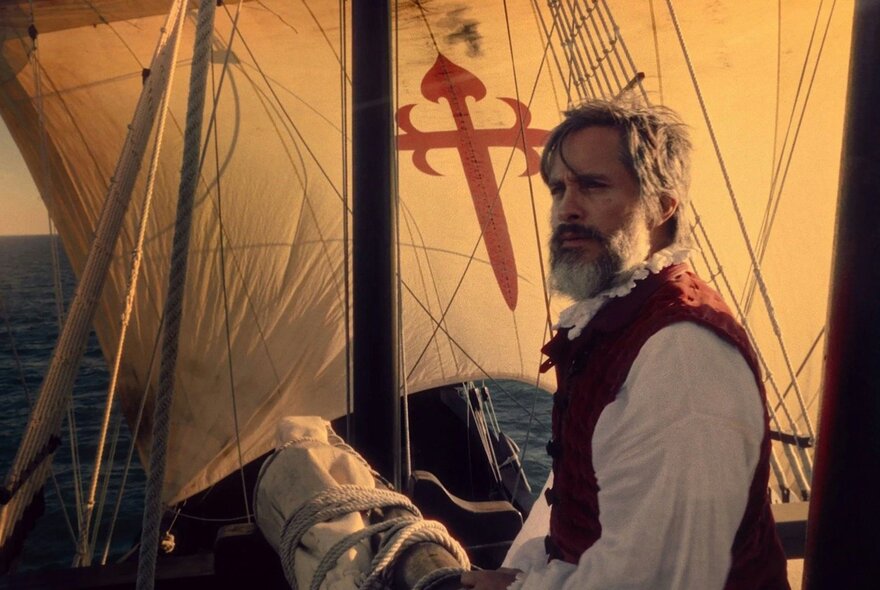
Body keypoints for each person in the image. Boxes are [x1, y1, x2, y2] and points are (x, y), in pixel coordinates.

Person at [460, 99, 790, 589]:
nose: (566, 208)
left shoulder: (681, 355)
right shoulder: (625, 321)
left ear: (661, 205)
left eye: (593, 185)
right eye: (558, 189)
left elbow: (661, 578)